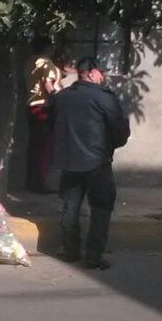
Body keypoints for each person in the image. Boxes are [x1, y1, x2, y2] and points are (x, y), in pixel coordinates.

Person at [50, 57, 130, 269]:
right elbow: (120, 130)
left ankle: (70, 251)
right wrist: (112, 145)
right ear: (93, 73)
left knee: (70, 208)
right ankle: (93, 256)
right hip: (97, 163)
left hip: (70, 162)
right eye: (101, 73)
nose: (103, 77)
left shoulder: (62, 97)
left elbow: (51, 125)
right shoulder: (104, 97)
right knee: (101, 209)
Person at [25, 37, 62, 193]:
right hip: (43, 107)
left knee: (34, 146)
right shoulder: (46, 62)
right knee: (44, 147)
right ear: (48, 48)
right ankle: (39, 182)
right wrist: (58, 98)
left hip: (32, 105)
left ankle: (31, 180)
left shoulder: (30, 62)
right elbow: (48, 83)